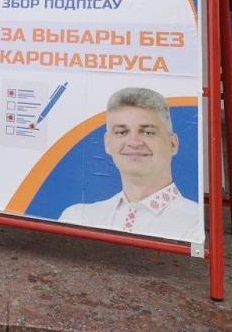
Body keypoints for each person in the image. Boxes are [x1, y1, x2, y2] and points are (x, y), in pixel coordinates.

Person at [58, 88, 203, 243]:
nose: (134, 142)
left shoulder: (194, 223)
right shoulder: (78, 216)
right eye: (121, 132)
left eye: (148, 132)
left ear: (172, 144)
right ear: (107, 143)